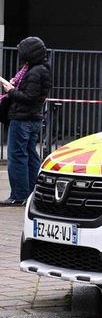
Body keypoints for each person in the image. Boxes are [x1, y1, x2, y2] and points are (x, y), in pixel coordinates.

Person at [2, 36, 51, 205]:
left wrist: (10, 90)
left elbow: (29, 97)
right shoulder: (41, 69)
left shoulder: (35, 71)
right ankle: (32, 192)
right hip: (33, 119)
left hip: (22, 119)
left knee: (17, 156)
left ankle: (19, 195)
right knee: (30, 155)